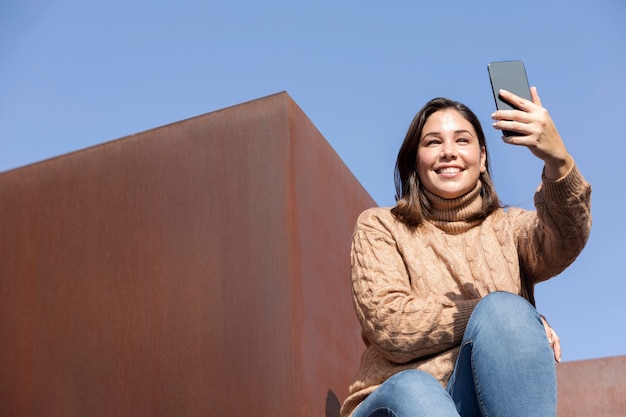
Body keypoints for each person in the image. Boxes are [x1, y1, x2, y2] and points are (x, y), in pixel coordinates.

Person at [340, 87, 592, 417]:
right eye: (433, 142)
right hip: (394, 400)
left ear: (483, 157)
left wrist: (557, 160)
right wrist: (496, 314)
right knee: (418, 388)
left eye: (462, 140)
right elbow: (389, 324)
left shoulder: (509, 228)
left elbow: (565, 239)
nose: (448, 152)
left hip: (479, 402)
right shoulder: (381, 226)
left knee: (507, 314)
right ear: (415, 159)